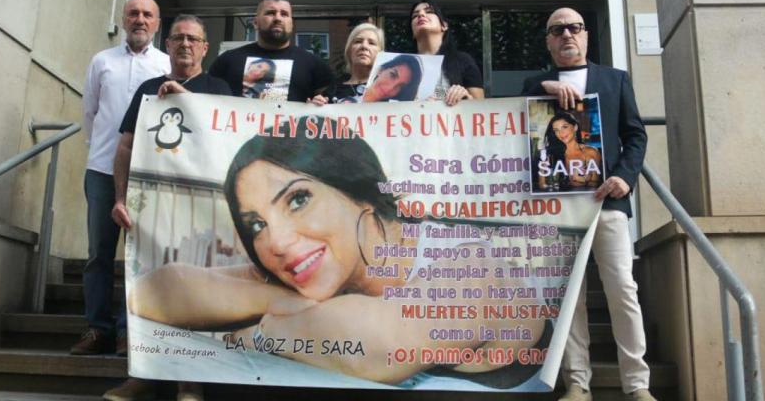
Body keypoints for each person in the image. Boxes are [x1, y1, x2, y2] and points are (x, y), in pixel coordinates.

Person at [127, 118, 551, 390]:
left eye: (297, 200)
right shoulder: (315, 263)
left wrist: (254, 332)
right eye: (257, 225)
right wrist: (275, 299)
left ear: (359, 191)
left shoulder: (471, 267)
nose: (275, 242)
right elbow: (153, 292)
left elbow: (382, 346)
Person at [521, 8, 653, 401]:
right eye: (557, 30)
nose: (567, 35)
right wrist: (544, 87)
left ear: (586, 35)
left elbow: (635, 135)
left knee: (622, 291)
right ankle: (577, 383)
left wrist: (624, 178)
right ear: (548, 40)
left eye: (574, 28)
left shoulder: (615, 80)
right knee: (568, 299)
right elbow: (510, 124)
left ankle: (637, 385)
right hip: (557, 207)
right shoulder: (532, 84)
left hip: (606, 203)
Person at [103, 14, 230, 401]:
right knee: (147, 292)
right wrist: (120, 198)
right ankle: (143, 375)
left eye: (193, 39)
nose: (185, 45)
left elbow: (228, 138)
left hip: (201, 210)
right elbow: (125, 146)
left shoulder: (219, 89)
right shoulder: (146, 89)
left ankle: (190, 382)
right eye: (178, 38)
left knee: (193, 293)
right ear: (168, 44)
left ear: (205, 48)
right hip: (152, 210)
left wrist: (186, 99)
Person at [73, 0, 170, 358]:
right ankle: (97, 328)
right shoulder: (102, 61)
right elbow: (90, 112)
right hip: (101, 170)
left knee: (139, 256)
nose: (139, 19)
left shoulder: (165, 64)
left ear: (157, 23)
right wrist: (100, 150)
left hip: (147, 174)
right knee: (98, 253)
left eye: (147, 14)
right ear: (124, 19)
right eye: (133, 13)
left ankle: (128, 332)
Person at [209, 0, 333, 102]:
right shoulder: (228, 60)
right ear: (256, 23)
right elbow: (207, 100)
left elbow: (329, 107)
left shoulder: (314, 65)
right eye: (270, 13)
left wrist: (320, 104)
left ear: (292, 24)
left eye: (284, 14)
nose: (278, 18)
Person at [410, 0, 483, 105]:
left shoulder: (463, 61)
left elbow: (481, 109)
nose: (421, 15)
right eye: (414, 15)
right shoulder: (402, 65)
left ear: (444, 25)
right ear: (412, 31)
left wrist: (466, 97)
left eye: (429, 11)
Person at [538, 111, 603, 191]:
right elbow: (542, 185)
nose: (561, 133)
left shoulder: (591, 152)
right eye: (556, 130)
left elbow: (595, 185)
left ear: (575, 127)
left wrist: (584, 181)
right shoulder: (549, 154)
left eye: (564, 127)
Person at [332, 23, 384, 103]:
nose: (364, 46)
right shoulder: (333, 90)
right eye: (358, 41)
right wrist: (314, 107)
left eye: (371, 43)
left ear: (380, 53)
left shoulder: (389, 87)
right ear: (349, 50)